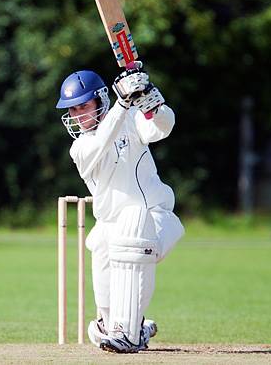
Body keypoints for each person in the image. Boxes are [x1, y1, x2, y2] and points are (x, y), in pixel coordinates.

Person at [56, 64, 184, 353]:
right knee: (102, 238)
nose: (78, 115)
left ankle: (127, 333)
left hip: (157, 217)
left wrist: (150, 99)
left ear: (101, 99)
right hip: (114, 228)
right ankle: (114, 322)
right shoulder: (81, 148)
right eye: (73, 110)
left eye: (83, 106)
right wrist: (123, 103)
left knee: (133, 221)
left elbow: (163, 127)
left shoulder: (130, 121)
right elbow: (103, 142)